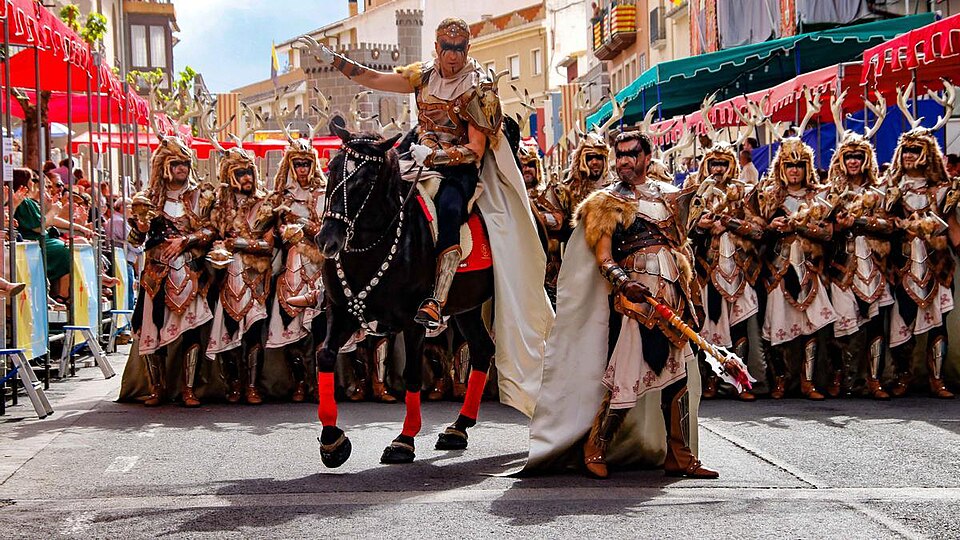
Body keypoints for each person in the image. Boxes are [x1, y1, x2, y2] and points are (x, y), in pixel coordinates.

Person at [300, 18, 551, 420]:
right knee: (369, 188)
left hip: (458, 166)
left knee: (449, 210)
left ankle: (435, 297)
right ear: (436, 47)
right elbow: (377, 79)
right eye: (445, 48)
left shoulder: (478, 88)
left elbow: (475, 147)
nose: (451, 57)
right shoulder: (422, 75)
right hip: (415, 150)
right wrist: (334, 60)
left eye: (459, 49)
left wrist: (433, 158)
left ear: (467, 49)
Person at [525, 131, 716, 480]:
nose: (624, 161)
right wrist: (624, 282)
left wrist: (692, 295)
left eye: (632, 155)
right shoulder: (608, 201)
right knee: (625, 378)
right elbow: (603, 257)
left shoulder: (668, 196)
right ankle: (594, 447)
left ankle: (681, 455)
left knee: (678, 380)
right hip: (634, 302)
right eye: (620, 155)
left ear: (647, 156)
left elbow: (681, 246)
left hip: (672, 294)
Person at [126, 138, 217, 407]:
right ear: (164, 166)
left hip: (191, 270)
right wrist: (141, 227)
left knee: (191, 332)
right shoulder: (149, 199)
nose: (182, 168)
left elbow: (212, 230)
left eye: (185, 163)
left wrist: (185, 241)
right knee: (151, 329)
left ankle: (188, 389)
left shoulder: (202, 196)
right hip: (156, 274)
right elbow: (134, 240)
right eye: (176, 163)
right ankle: (157, 388)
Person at [756, 137, 837, 400]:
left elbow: (828, 232)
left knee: (810, 326)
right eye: (789, 165)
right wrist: (771, 226)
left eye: (799, 165)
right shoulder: (769, 196)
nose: (794, 170)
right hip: (778, 269)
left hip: (810, 268)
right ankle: (780, 380)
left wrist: (799, 226)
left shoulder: (819, 196)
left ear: (807, 168)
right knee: (778, 324)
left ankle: (808, 381)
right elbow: (756, 231)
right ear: (781, 167)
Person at [685, 143, 763, 401]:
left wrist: (729, 222)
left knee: (740, 328)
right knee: (708, 331)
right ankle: (711, 383)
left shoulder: (743, 192)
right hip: (707, 271)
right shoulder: (695, 191)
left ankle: (739, 382)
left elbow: (758, 230)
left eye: (722, 163)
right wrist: (700, 225)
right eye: (713, 163)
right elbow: (681, 229)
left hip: (739, 270)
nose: (718, 169)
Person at [885, 128, 956, 399]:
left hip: (937, 265)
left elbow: (952, 228)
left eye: (915, 150)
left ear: (927, 155)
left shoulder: (942, 190)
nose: (910, 156)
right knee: (903, 319)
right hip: (903, 265)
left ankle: (937, 380)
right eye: (906, 151)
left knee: (939, 325)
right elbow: (883, 222)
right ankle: (904, 377)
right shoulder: (892, 189)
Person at [825, 132, 894, 399]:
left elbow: (890, 225)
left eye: (858, 156)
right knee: (840, 326)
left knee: (875, 325)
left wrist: (860, 222)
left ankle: (874, 380)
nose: (853, 161)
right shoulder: (831, 192)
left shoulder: (879, 193)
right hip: (841, 266)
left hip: (874, 265)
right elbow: (822, 229)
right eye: (849, 156)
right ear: (840, 160)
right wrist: (837, 226)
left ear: (867, 159)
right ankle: (839, 377)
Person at [205, 147, 275, 405]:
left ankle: (253, 386)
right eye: (240, 173)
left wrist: (241, 244)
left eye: (249, 172)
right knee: (229, 330)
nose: (247, 178)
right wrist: (218, 246)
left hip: (256, 276)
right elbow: (211, 236)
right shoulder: (219, 207)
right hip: (226, 276)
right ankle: (234, 384)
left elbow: (268, 244)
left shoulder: (264, 204)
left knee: (254, 331)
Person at [265, 137, 328, 403]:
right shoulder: (281, 196)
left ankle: (321, 383)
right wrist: (281, 230)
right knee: (288, 319)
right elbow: (267, 229)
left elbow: (326, 229)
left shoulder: (323, 192)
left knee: (322, 324)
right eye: (298, 163)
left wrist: (301, 223)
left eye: (306, 163)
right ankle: (299, 383)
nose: (302, 168)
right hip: (290, 260)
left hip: (319, 260)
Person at [12, 168, 71, 301]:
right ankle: (62, 295)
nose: (34, 183)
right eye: (32, 180)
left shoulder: (28, 201)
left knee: (70, 248)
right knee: (65, 252)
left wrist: (50, 210)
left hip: (42, 240)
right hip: (34, 242)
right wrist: (54, 210)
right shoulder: (23, 202)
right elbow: (39, 226)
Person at [520, 143, 564, 304]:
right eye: (522, 165)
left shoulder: (547, 192)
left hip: (548, 263)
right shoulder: (512, 195)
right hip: (521, 261)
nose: (526, 169)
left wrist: (537, 217)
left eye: (530, 165)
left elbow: (558, 221)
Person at [550, 132, 611, 236]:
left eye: (598, 157)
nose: (594, 162)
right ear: (582, 160)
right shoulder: (568, 190)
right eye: (590, 158)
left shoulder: (615, 187)